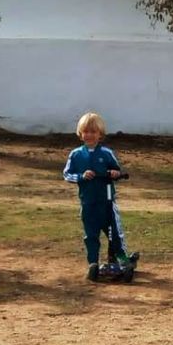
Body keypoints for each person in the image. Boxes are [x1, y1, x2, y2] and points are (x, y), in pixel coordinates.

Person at [63, 112, 133, 280]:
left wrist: (115, 173)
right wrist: (81, 176)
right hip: (88, 202)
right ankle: (92, 263)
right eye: (86, 131)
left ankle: (123, 260)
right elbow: (67, 174)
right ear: (81, 133)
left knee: (114, 233)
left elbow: (116, 170)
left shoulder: (106, 153)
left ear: (100, 134)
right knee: (91, 235)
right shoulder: (76, 154)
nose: (89, 135)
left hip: (106, 201)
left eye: (93, 132)